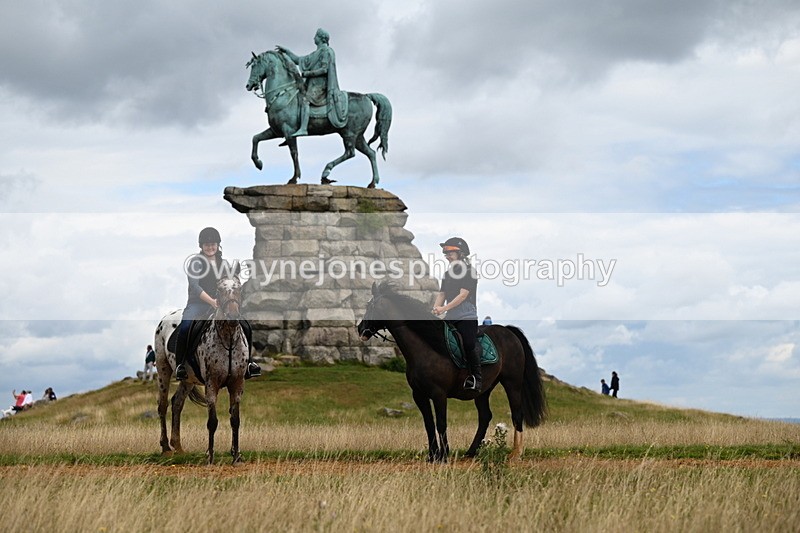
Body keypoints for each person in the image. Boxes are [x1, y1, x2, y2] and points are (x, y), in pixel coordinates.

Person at [175, 227, 261, 381]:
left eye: (213, 244)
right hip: (198, 304)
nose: (210, 247)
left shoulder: (224, 263)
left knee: (245, 325)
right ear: (201, 246)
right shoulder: (196, 262)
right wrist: (212, 302)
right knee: (186, 326)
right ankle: (180, 365)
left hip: (221, 304)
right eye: (207, 244)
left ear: (218, 245)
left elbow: (229, 282)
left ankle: (249, 363)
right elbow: (195, 288)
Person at [275, 28, 347, 138]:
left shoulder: (327, 51)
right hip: (311, 84)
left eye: (316, 36)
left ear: (321, 38)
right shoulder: (315, 53)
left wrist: (308, 73)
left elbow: (324, 69)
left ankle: (303, 128)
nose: (314, 38)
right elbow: (298, 60)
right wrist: (287, 51)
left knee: (305, 100)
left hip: (321, 85)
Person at [433, 237, 481, 391]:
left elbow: (462, 296)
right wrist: (435, 308)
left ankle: (476, 378)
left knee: (468, 343)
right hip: (450, 317)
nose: (446, 255)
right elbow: (442, 294)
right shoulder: (447, 274)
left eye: (449, 252)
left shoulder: (470, 272)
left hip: (467, 317)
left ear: (460, 253)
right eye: (445, 253)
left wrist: (444, 309)